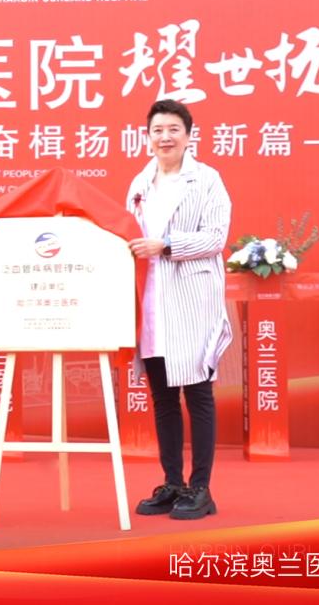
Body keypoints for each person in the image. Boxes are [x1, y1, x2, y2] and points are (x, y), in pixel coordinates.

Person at [126, 99, 232, 520]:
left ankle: (201, 488)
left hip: (191, 298)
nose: (165, 137)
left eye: (173, 129)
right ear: (147, 137)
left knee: (198, 393)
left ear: (188, 136)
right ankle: (173, 482)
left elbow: (216, 237)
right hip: (151, 300)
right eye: (157, 130)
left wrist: (166, 245)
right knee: (163, 397)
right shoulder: (140, 183)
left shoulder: (207, 180)